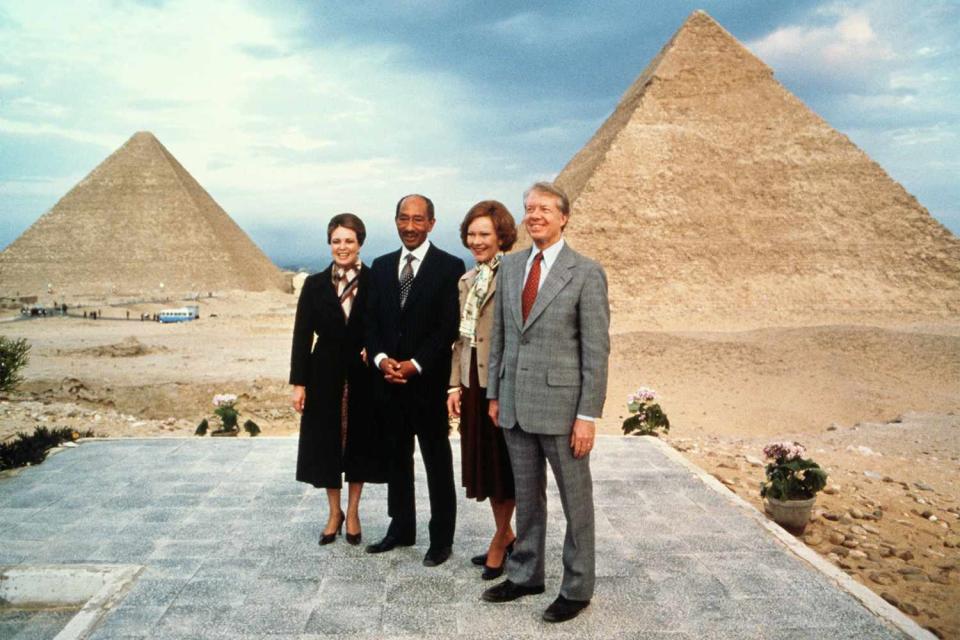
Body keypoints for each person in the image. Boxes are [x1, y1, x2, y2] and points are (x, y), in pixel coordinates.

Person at [482, 182, 610, 623]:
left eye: (544, 209)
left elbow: (596, 351)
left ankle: (577, 587)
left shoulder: (586, 272)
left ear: (564, 217)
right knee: (528, 497)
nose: (534, 215)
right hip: (515, 404)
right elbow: (500, 335)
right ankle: (525, 574)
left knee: (577, 502)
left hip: (562, 410)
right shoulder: (513, 266)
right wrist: (496, 394)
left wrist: (587, 416)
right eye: (529, 209)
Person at [365, 194, 465, 567]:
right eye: (404, 218)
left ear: (432, 224)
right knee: (396, 459)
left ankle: (441, 538)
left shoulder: (450, 266)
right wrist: (381, 360)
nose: (410, 226)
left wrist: (416, 364)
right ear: (395, 221)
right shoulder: (380, 266)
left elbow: (446, 328)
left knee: (436, 461)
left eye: (418, 219)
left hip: (427, 385)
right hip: (388, 383)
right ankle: (401, 528)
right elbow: (370, 322)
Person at [289, 213, 384, 546]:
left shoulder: (376, 281)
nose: (342, 247)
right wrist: (299, 383)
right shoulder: (314, 285)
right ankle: (334, 512)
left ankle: (354, 511)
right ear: (329, 243)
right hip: (324, 373)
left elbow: (385, 326)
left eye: (349, 241)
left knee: (359, 441)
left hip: (362, 374)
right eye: (336, 241)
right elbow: (302, 336)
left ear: (360, 243)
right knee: (326, 443)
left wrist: (374, 348)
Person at [446, 201, 518, 581]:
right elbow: (462, 339)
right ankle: (505, 535)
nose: (477, 241)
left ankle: (499, 540)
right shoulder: (467, 280)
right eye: (472, 234)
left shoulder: (514, 275)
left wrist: (503, 389)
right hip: (473, 383)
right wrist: (454, 384)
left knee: (504, 466)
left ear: (501, 235)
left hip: (500, 385)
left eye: (485, 234)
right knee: (486, 467)